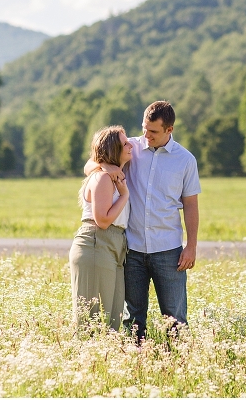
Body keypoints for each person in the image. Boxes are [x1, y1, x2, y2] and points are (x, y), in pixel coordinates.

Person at [85, 101, 201, 342]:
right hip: (133, 249)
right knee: (133, 317)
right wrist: (106, 165)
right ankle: (138, 362)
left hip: (168, 249)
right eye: (144, 129)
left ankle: (178, 365)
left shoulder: (185, 161)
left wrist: (191, 246)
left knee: (175, 317)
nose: (146, 136)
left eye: (154, 132)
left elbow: (191, 205)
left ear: (169, 130)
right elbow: (90, 165)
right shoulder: (131, 148)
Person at [69, 125, 133, 331]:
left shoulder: (114, 174)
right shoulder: (103, 178)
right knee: (93, 319)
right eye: (124, 143)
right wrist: (124, 196)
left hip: (114, 245)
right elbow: (102, 220)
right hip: (97, 242)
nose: (130, 144)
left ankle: (105, 360)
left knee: (112, 318)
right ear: (114, 149)